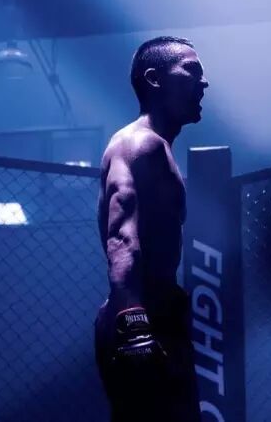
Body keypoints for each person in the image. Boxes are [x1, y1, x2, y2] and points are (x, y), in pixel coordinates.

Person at [95, 36, 209, 421]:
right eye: (191, 71)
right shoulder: (139, 143)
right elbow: (120, 234)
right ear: (154, 79)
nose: (203, 83)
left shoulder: (156, 146)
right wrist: (133, 321)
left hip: (157, 312)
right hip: (144, 315)